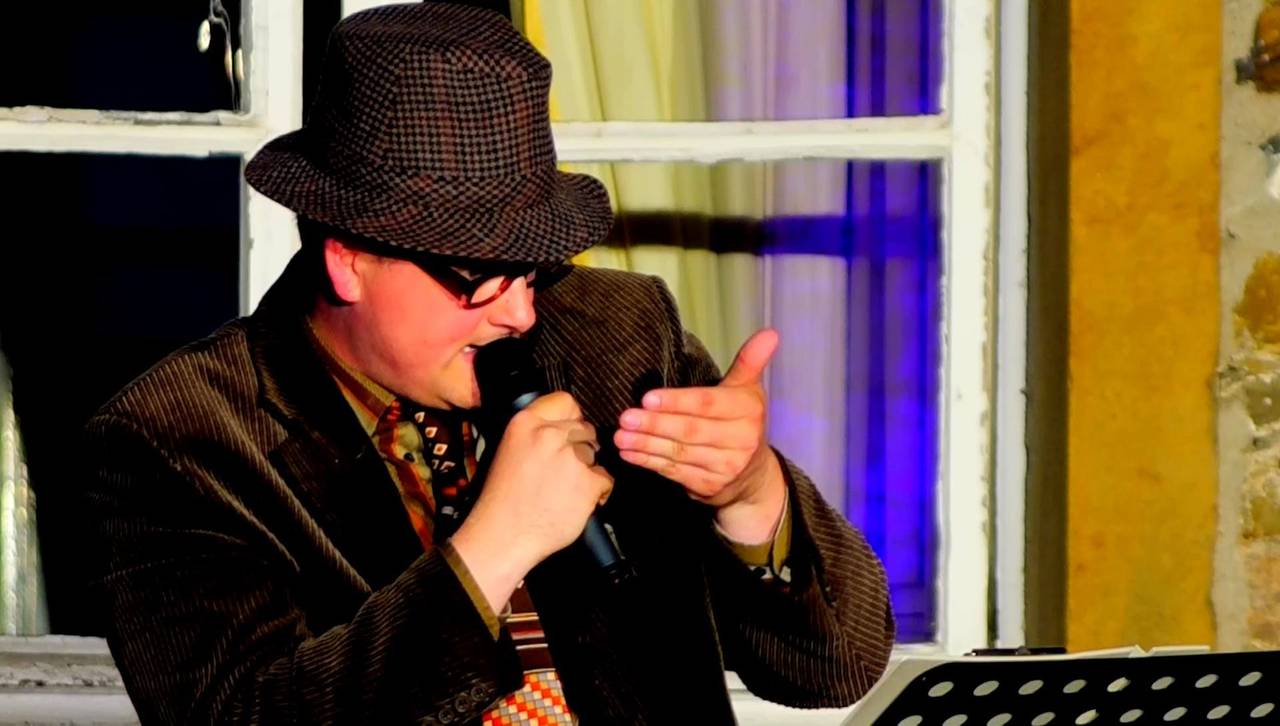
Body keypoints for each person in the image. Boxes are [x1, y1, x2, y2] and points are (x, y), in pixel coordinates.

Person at [81, 3, 893, 724]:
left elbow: (834, 671)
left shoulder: (620, 336)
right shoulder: (178, 440)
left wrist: (751, 496)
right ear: (349, 260)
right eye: (479, 277)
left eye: (532, 268)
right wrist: (493, 548)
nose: (521, 312)